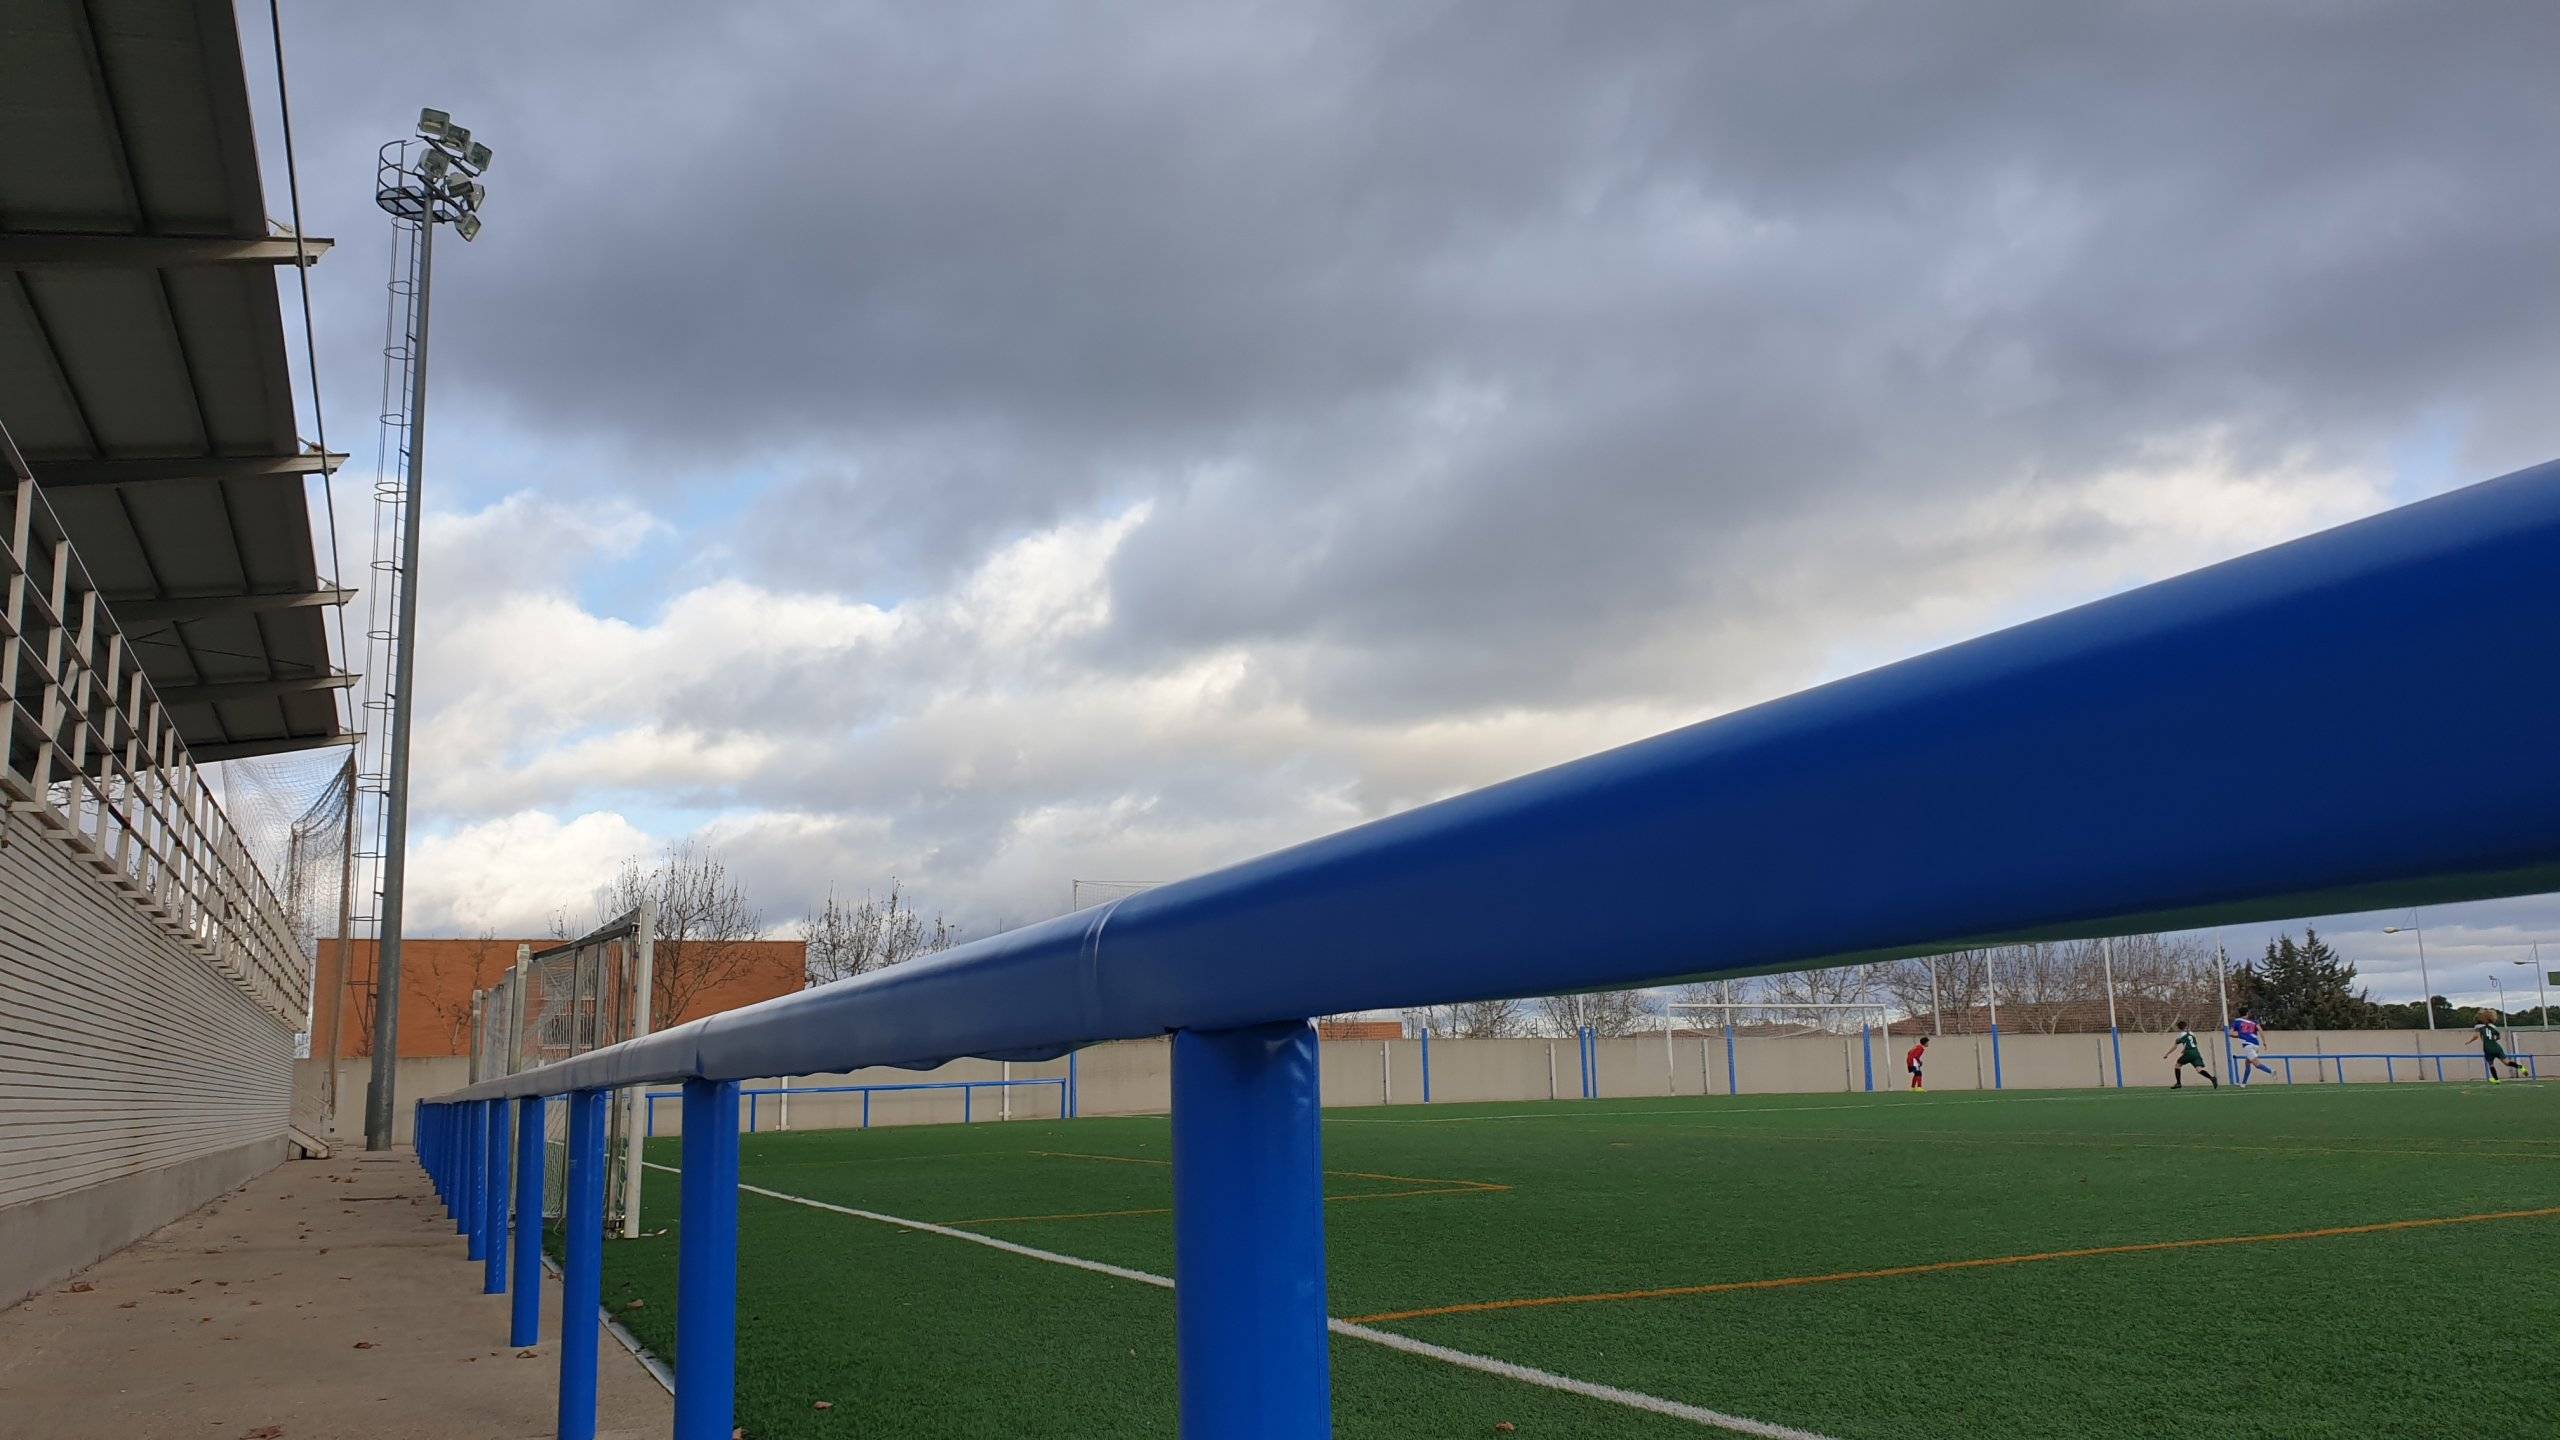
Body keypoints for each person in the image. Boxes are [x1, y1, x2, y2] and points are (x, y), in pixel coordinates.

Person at [2463, 1010, 2533, 1083]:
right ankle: (2520, 1067)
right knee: (2506, 1062)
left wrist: (2469, 1041)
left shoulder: (2479, 1027)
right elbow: (2498, 1036)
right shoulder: (2492, 1027)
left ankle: (2496, 1080)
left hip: (2488, 1048)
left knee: (2491, 1064)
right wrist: (2494, 1040)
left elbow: (2476, 1037)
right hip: (2497, 1047)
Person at [2162, 1022, 2218, 1089]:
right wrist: (2184, 1049)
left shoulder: (2181, 1035)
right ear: (2186, 1026)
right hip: (2196, 1052)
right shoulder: (2192, 1033)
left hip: (2189, 1053)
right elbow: (2193, 1044)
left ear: (2179, 1028)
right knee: (2199, 1069)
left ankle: (2178, 1083)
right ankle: (2212, 1078)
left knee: (2177, 1065)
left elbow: (2175, 1046)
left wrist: (2167, 1054)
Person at [2229, 1011, 2275, 1086]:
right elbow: (2261, 1031)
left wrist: (2240, 1036)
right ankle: (2243, 1084)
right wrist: (2264, 1042)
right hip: (2256, 1045)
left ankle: (2271, 1071)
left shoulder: (2237, 1021)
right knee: (2247, 1063)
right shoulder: (2254, 1022)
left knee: (2257, 1064)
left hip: (2248, 1045)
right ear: (2246, 1013)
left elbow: (2230, 1033)